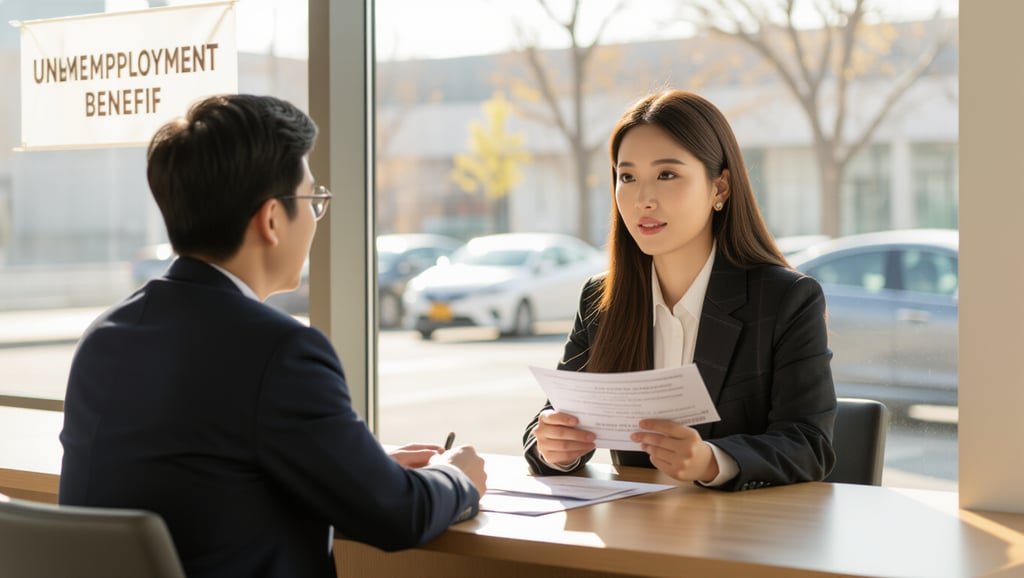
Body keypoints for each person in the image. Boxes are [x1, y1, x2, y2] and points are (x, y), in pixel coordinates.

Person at [59, 94, 486, 578]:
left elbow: (210, 463)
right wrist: (457, 476)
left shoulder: (104, 338)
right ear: (270, 220)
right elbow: (397, 516)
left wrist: (359, 459)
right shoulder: (280, 352)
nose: (316, 217)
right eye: (313, 201)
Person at [523, 89, 836, 491]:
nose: (643, 199)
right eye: (627, 177)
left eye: (666, 175)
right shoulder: (602, 300)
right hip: (635, 532)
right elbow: (553, 420)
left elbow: (811, 445)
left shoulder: (786, 300)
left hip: (741, 537)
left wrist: (712, 460)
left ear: (719, 188)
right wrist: (553, 447)